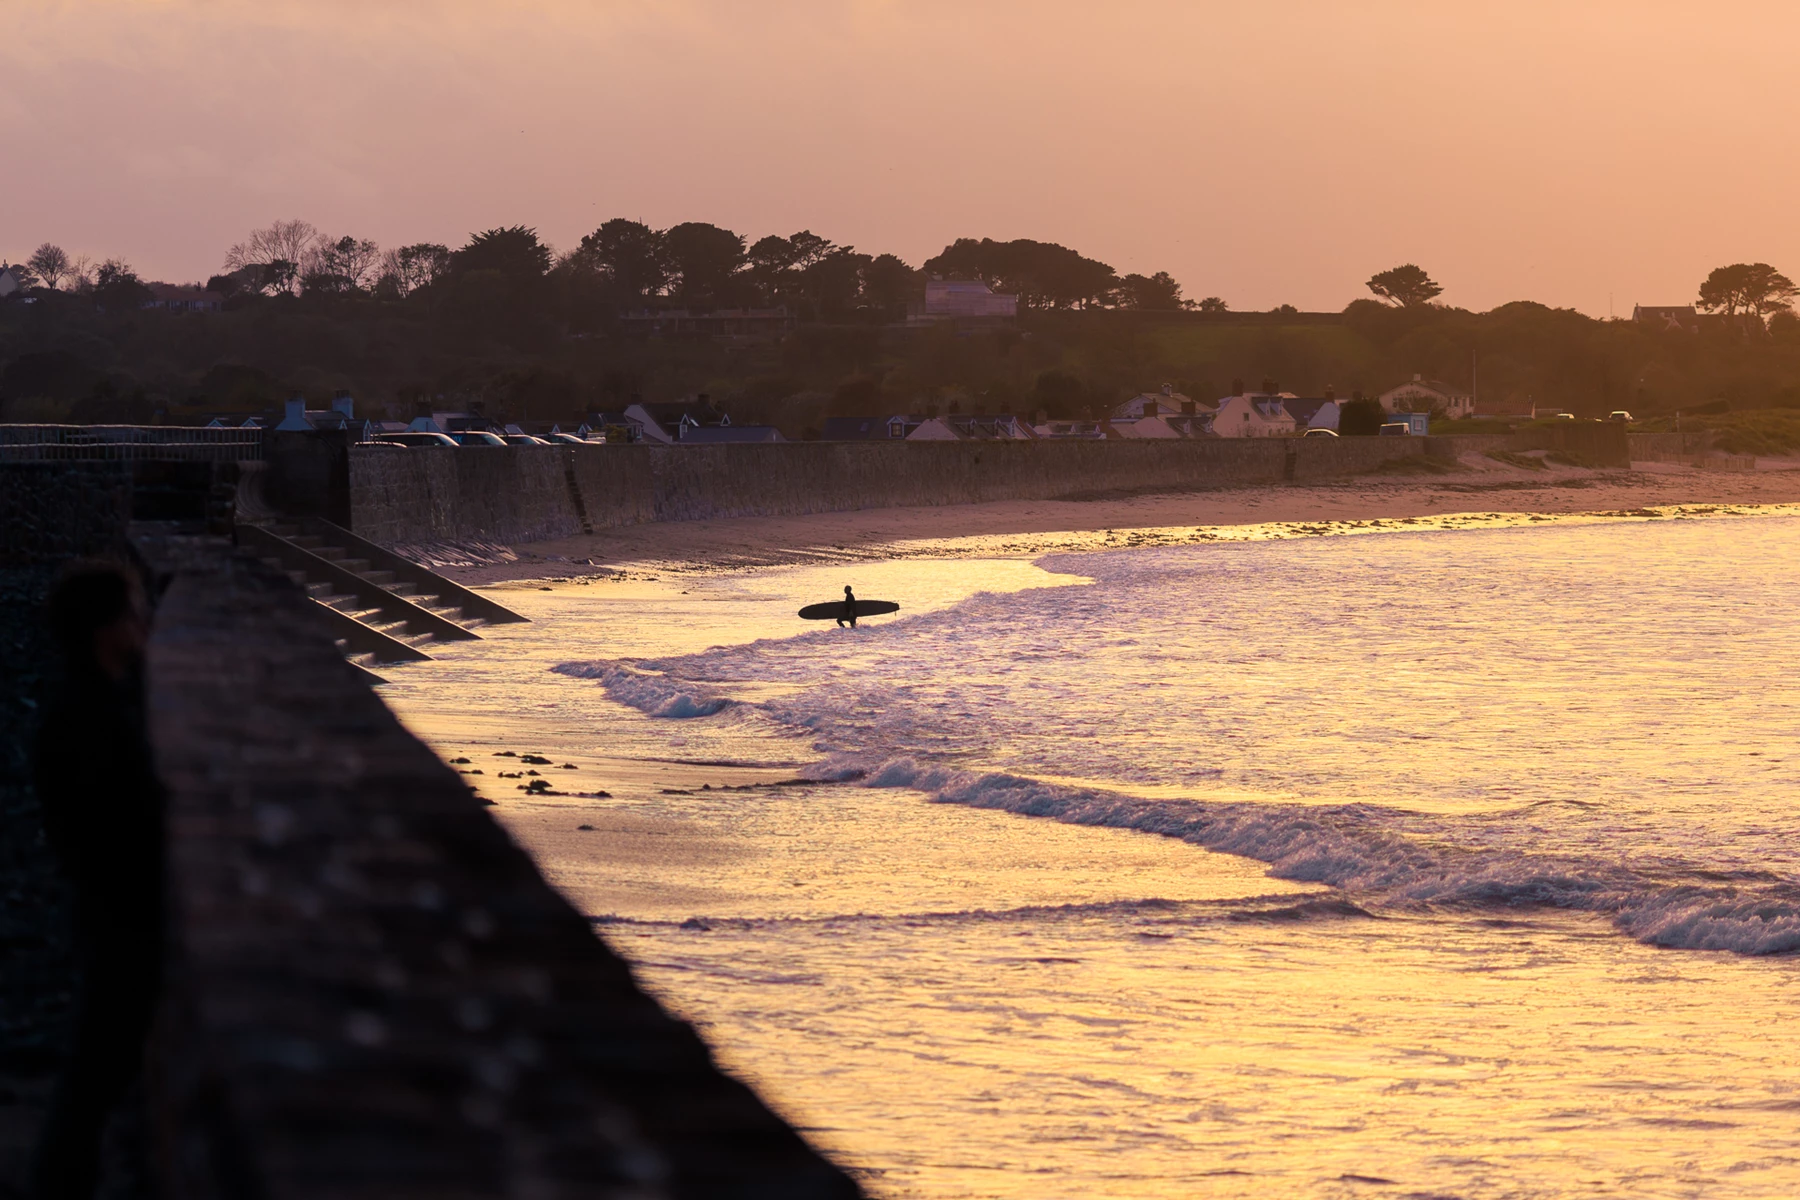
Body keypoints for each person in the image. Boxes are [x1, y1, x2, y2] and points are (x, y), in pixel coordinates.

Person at [29, 560, 165, 1200]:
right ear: (104, 628)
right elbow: (112, 824)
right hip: (117, 911)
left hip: (105, 905)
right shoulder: (88, 715)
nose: (147, 620)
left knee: (100, 1063)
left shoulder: (93, 700)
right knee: (99, 1065)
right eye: (135, 610)